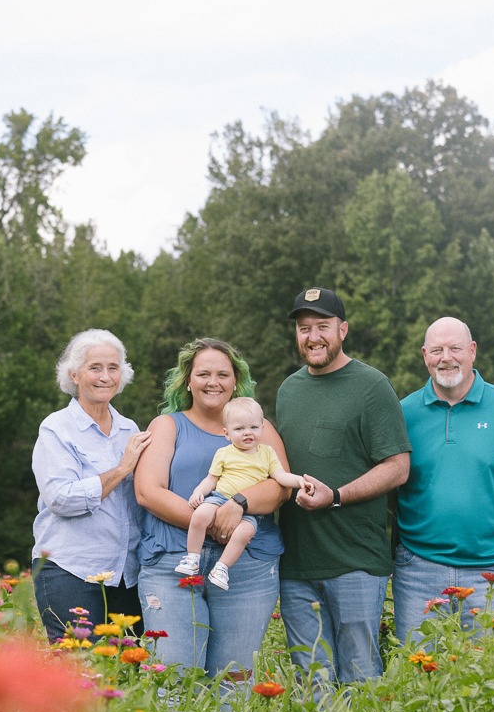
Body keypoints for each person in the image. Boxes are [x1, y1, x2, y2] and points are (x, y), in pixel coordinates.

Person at [135, 339, 291, 685]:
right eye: (203, 373)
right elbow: (148, 491)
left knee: (234, 684)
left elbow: (280, 488)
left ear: (236, 380)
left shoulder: (259, 429)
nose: (213, 382)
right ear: (187, 380)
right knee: (173, 681)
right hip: (173, 564)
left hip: (246, 568)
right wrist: (210, 522)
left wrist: (239, 504)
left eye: (223, 374)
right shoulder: (167, 425)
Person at [276, 287, 411, 684]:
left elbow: (397, 467)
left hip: (356, 561)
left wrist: (336, 497)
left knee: (360, 674)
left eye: (323, 326)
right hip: (296, 563)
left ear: (343, 329)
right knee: (311, 677)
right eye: (304, 329)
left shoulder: (371, 386)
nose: (313, 336)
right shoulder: (288, 390)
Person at [392, 316, 494, 645]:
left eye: (455, 348)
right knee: (416, 683)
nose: (446, 357)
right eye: (436, 350)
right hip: (418, 571)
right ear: (424, 355)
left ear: (473, 351)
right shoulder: (403, 412)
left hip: (493, 572)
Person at [31, 329, 152, 643]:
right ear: (74, 374)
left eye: (113, 368)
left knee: (127, 675)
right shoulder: (57, 428)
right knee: (79, 674)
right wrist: (122, 468)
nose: (105, 376)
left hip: (127, 574)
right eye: (95, 368)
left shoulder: (130, 429)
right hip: (70, 569)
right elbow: (60, 499)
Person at [176, 397, 304, 591]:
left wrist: (300, 481)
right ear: (227, 434)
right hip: (219, 497)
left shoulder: (267, 453)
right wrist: (198, 493)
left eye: (254, 427)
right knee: (200, 515)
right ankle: (192, 557)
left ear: (262, 427)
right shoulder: (224, 453)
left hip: (250, 509)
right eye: (239, 429)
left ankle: (222, 567)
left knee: (245, 533)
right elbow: (211, 479)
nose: (247, 433)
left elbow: (281, 476)